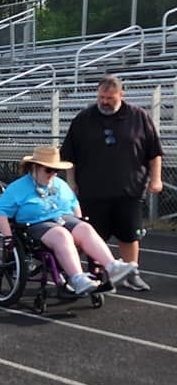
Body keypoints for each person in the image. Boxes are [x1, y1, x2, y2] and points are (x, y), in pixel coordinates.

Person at [61, 74, 163, 292]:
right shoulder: (83, 119)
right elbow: (70, 155)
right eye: (101, 97)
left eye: (109, 97)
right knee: (93, 236)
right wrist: (71, 183)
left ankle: (131, 274)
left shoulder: (139, 117)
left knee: (129, 234)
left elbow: (154, 152)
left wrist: (156, 179)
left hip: (129, 189)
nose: (104, 101)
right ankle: (98, 276)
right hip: (92, 190)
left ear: (121, 95)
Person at [0, 145, 138, 295]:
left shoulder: (60, 185)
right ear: (34, 167)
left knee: (85, 228)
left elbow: (74, 205)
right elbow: (0, 212)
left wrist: (79, 223)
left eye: (56, 170)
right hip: (36, 224)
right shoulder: (18, 188)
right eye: (48, 170)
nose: (52, 174)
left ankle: (112, 266)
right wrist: (8, 238)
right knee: (62, 235)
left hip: (63, 218)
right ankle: (78, 279)